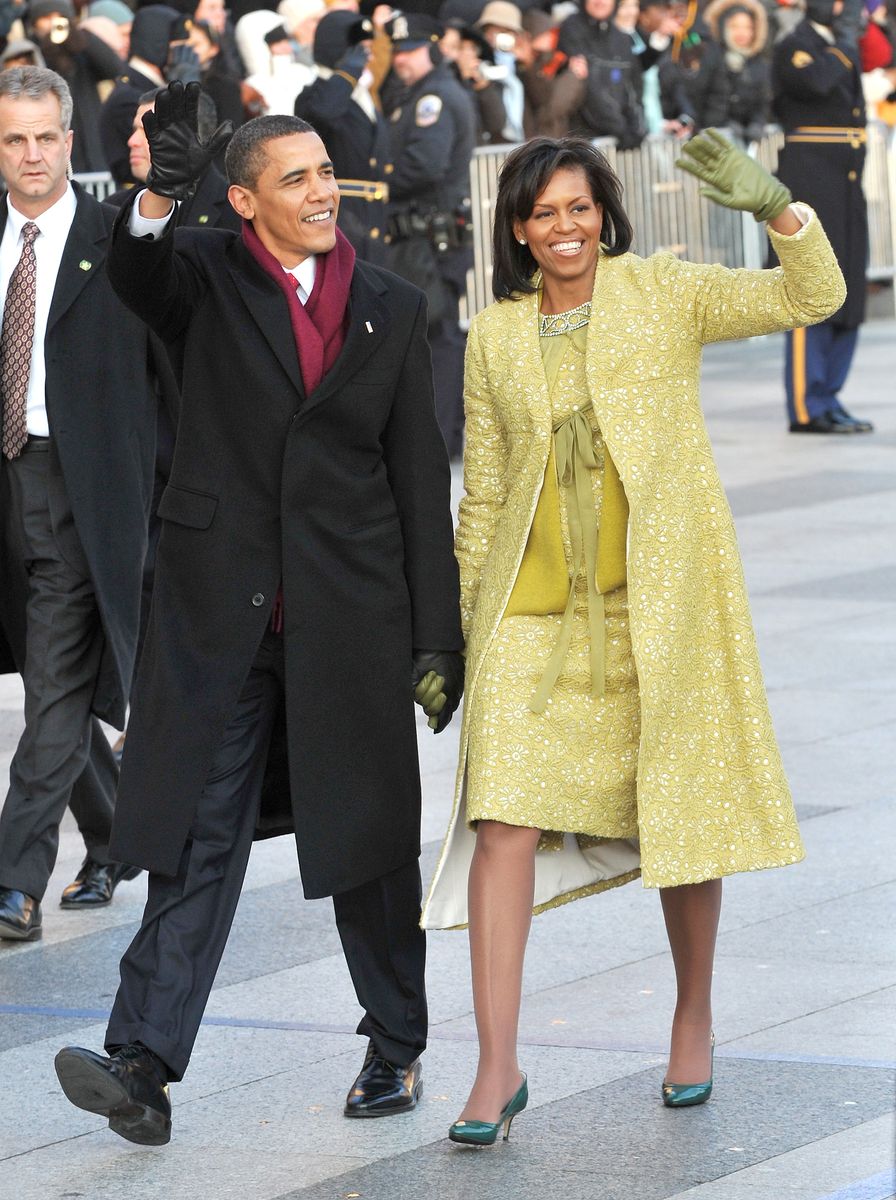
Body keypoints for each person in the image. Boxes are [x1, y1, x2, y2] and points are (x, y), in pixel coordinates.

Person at [53, 83, 464, 1146]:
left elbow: (419, 482)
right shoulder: (198, 277)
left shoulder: (392, 303)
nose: (322, 191)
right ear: (243, 201)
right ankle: (141, 1060)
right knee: (193, 839)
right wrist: (154, 190)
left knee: (369, 851)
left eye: (325, 172)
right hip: (218, 624)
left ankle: (395, 1045)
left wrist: (435, 635)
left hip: (350, 624)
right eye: (296, 179)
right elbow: (135, 267)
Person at [421, 131, 846, 1144]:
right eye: (541, 214)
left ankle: (691, 1016)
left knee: (682, 813)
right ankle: (494, 1067)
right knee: (501, 822)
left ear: (602, 213)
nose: (561, 229)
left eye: (577, 208)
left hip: (660, 606)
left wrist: (774, 207)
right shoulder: (493, 336)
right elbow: (481, 496)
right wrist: (444, 632)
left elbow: (811, 298)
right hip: (530, 619)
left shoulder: (663, 291)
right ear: (515, 232)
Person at [0, 66, 154, 940]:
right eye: (14, 139)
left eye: (44, 137)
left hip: (82, 488)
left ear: (69, 140)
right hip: (5, 483)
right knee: (48, 667)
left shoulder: (115, 241)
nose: (31, 154)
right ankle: (110, 833)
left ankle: (14, 877)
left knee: (55, 669)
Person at [771, 0, 874, 432]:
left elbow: (884, 53)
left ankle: (829, 396)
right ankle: (806, 405)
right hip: (812, 180)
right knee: (811, 289)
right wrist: (844, 44)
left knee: (849, 290)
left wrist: (863, 34)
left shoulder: (842, 43)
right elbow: (815, 83)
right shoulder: (795, 45)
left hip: (846, 183)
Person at [384, 11, 475, 461]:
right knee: (437, 335)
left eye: (412, 51)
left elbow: (425, 164)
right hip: (432, 238)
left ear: (433, 48)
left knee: (435, 337)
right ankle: (446, 434)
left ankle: (439, 438)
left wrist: (376, 182)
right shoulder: (421, 93)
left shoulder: (433, 98)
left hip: (430, 238)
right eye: (399, 52)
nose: (403, 60)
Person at [293, 9, 392, 263]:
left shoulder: (362, 94)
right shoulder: (313, 95)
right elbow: (324, 114)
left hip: (373, 220)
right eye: (360, 48)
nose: (367, 56)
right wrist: (347, 73)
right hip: (340, 218)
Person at [558, 0, 646, 148]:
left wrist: (638, 130)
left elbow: (634, 89)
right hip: (584, 142)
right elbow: (590, 88)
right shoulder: (571, 28)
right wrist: (620, 130)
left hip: (622, 139)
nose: (600, 2)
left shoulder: (622, 39)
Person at [704, 0, 773, 144]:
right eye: (735, 26)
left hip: (749, 139)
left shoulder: (760, 64)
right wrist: (724, 123)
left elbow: (764, 100)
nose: (742, 33)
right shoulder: (713, 59)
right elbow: (708, 98)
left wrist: (757, 122)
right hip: (718, 138)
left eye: (748, 27)